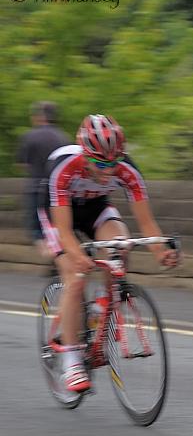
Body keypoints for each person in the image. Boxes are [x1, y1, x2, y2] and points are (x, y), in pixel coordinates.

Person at [41, 114, 180, 393]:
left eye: (114, 163)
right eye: (100, 164)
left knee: (121, 244)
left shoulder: (126, 170)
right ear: (85, 154)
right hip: (59, 214)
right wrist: (77, 257)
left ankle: (103, 305)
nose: (108, 170)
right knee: (75, 274)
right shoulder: (65, 167)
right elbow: (65, 232)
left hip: (95, 209)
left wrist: (160, 251)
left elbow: (146, 223)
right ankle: (71, 360)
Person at [15, 101, 71, 269]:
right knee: (60, 227)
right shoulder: (65, 137)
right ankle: (61, 259)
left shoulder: (30, 136)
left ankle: (57, 260)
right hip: (61, 191)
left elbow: (22, 165)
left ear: (39, 116)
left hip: (36, 189)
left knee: (38, 232)